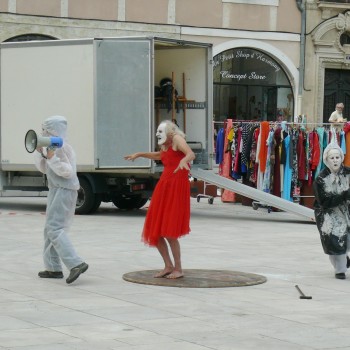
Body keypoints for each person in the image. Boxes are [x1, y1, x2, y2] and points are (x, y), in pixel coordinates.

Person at [124, 120, 195, 279]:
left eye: (160, 132)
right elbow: (159, 156)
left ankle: (178, 268)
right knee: (155, 230)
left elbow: (191, 154)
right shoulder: (165, 144)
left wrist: (184, 160)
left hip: (176, 186)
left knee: (170, 231)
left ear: (169, 131)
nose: (158, 135)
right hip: (164, 185)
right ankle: (168, 266)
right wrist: (140, 154)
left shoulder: (176, 139)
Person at [34, 115, 88, 284]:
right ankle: (53, 268)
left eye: (46, 130)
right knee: (49, 229)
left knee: (55, 228)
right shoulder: (53, 147)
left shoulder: (63, 148)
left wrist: (52, 157)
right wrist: (42, 155)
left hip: (65, 190)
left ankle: (76, 263)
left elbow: (67, 172)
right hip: (56, 189)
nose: (43, 133)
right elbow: (44, 169)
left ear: (54, 131)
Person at [313, 142, 350, 279]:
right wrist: (344, 195)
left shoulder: (348, 173)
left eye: (337, 157)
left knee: (346, 239)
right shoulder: (321, 179)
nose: (335, 160)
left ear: (341, 158)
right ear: (326, 160)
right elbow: (324, 202)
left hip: (346, 211)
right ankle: (340, 269)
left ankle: (343, 256)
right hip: (328, 214)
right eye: (332, 158)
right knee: (334, 241)